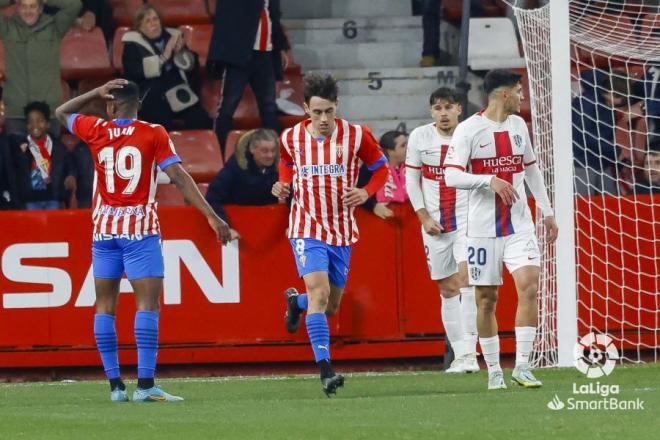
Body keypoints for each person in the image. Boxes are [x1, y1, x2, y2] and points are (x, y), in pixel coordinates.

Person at [55, 79, 232, 402]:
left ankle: (115, 387)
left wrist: (95, 91)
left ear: (111, 106)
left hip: (104, 231)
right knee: (147, 306)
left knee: (105, 307)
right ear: (137, 105)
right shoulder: (153, 132)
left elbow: (61, 111)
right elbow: (178, 177)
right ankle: (146, 386)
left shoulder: (96, 128)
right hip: (139, 230)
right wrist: (211, 215)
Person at [272, 74, 388, 397]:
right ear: (306, 108)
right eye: (317, 112)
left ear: (337, 106)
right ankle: (326, 371)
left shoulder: (356, 135)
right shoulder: (291, 137)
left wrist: (366, 192)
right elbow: (285, 163)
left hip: (342, 229)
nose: (324, 120)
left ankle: (296, 303)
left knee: (329, 305)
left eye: (329, 112)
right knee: (320, 295)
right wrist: (282, 184)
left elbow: (381, 168)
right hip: (306, 227)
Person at [444, 69, 558, 390]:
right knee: (486, 300)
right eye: (519, 91)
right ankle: (493, 368)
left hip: (519, 225)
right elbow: (451, 176)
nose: (523, 97)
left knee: (529, 286)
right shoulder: (469, 130)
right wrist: (488, 180)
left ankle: (522, 365)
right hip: (482, 230)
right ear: (504, 94)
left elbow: (531, 171)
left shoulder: (519, 126)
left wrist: (547, 212)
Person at [405, 88, 479, 374]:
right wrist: (423, 217)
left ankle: (471, 353)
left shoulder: (471, 135)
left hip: (467, 220)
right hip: (434, 224)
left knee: (466, 280)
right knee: (447, 289)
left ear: (459, 109)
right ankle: (461, 356)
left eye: (449, 107)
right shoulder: (420, 137)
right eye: (438, 108)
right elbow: (412, 180)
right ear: (431, 112)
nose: (444, 113)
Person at [208, 0, 289, 153]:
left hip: (265, 55)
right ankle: (218, 151)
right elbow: (225, 19)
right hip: (239, 57)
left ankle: (277, 156)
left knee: (269, 108)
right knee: (227, 108)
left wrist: (282, 47)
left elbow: (274, 19)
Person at [122, 4, 211, 131]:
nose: (154, 24)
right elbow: (134, 71)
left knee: (200, 119)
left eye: (155, 19)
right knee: (160, 124)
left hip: (177, 89)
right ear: (139, 27)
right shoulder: (132, 44)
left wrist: (182, 53)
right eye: (148, 21)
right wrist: (164, 56)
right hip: (150, 94)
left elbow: (192, 67)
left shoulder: (173, 36)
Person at [0, 0, 81, 137]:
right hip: (16, 111)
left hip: (49, 110)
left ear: (41, 9)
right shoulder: (7, 27)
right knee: (17, 157)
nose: (28, 11)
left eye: (33, 6)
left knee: (49, 157)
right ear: (17, 8)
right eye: (23, 6)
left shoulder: (55, 27)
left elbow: (75, 5)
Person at [205, 128, 280, 239]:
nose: (270, 155)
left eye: (273, 151)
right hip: (237, 226)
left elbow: (297, 197)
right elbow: (212, 198)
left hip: (268, 230)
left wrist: (293, 226)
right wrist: (226, 227)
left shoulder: (282, 166)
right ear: (252, 149)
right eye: (264, 151)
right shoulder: (234, 167)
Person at [10, 101, 75, 209]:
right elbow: (14, 174)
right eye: (30, 121)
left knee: (52, 225)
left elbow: (70, 165)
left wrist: (71, 175)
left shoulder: (57, 147)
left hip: (53, 197)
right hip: (29, 199)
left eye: (39, 121)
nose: (35, 125)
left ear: (48, 124)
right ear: (26, 125)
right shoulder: (21, 147)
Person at [357, 130, 408, 219]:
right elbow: (359, 193)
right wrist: (374, 206)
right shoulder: (371, 167)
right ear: (390, 151)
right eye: (403, 146)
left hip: (406, 220)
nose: (408, 148)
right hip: (378, 220)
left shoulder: (413, 165)